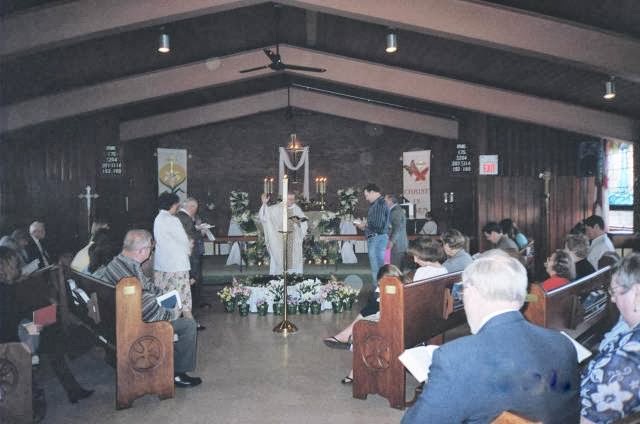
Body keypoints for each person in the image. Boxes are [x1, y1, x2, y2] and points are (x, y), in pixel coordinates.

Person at [402, 251, 579, 423]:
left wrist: (432, 385)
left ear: (472, 292)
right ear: (520, 296)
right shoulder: (562, 343)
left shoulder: (453, 358)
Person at [94, 229, 202, 388]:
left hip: (118, 320)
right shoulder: (129, 277)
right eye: (150, 249)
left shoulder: (119, 262)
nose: (151, 252)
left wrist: (165, 294)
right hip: (135, 326)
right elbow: (149, 311)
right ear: (141, 251)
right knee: (188, 325)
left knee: (172, 302)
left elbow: (147, 286)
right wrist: (174, 311)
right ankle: (177, 374)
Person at [0, 246, 94, 407]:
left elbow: (20, 315)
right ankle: (70, 387)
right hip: (12, 342)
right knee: (50, 327)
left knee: (50, 328)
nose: (18, 267)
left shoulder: (8, 288)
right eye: (15, 264)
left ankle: (72, 388)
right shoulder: (8, 291)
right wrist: (44, 315)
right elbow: (16, 321)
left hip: (15, 332)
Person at [581, 253, 640, 423]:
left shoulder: (629, 356)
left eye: (615, 292)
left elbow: (588, 418)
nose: (613, 300)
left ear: (636, 292)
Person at [325, 264, 405, 384]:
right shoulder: (400, 287)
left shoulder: (394, 291)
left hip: (394, 328)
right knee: (370, 310)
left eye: (381, 284)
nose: (379, 286)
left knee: (364, 331)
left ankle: (349, 340)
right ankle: (348, 338)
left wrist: (377, 295)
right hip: (398, 323)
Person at [153, 192, 194, 321]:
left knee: (166, 298)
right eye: (177, 204)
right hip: (177, 266)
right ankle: (188, 326)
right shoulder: (172, 220)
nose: (177, 206)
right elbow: (183, 240)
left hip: (162, 265)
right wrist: (190, 246)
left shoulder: (158, 218)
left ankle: (167, 326)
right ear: (172, 204)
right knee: (183, 299)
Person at [176, 197, 210, 326]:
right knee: (193, 279)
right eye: (195, 208)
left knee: (195, 279)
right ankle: (190, 313)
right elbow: (190, 235)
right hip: (191, 254)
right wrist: (200, 231)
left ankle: (193, 308)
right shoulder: (184, 217)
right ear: (191, 207)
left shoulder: (181, 217)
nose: (195, 210)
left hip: (192, 253)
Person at [259, 192, 308, 274]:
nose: (291, 201)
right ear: (284, 199)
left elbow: (304, 221)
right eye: (289, 199)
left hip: (294, 240)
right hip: (279, 240)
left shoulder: (296, 209)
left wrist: (299, 222)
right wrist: (264, 203)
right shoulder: (276, 208)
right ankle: (279, 280)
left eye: (293, 199)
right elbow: (265, 217)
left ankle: (295, 278)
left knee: (294, 259)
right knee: (280, 260)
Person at [355, 184, 389, 285]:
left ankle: (378, 294)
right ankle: (381, 292)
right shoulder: (380, 203)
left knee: (377, 270)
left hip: (377, 239)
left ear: (373, 192)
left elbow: (378, 226)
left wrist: (363, 226)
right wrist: (366, 223)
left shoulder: (379, 204)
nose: (366, 198)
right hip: (378, 238)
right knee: (381, 269)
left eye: (367, 195)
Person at [385, 193, 408, 270]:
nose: (384, 202)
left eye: (385, 200)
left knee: (395, 270)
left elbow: (397, 228)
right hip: (397, 245)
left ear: (390, 201)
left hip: (396, 246)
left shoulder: (395, 211)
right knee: (396, 269)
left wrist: (391, 242)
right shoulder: (395, 210)